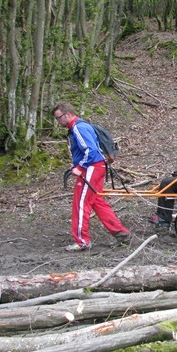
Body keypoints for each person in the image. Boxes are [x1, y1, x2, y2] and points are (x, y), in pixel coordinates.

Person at [53, 102, 131, 252]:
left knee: (81, 203)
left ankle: (82, 241)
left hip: (91, 168)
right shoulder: (80, 127)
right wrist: (77, 165)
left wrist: (81, 167)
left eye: (58, 118)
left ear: (67, 114)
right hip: (96, 167)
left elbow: (91, 150)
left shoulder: (78, 127)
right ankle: (121, 233)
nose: (58, 122)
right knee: (97, 202)